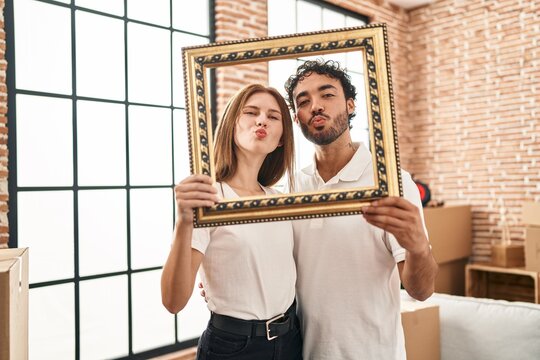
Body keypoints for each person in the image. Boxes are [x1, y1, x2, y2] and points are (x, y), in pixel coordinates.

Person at [284, 59, 438, 360]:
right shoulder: (291, 186)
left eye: (327, 95)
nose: (316, 106)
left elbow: (421, 291)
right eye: (304, 101)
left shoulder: (390, 181)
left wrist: (419, 246)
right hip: (300, 352)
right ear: (296, 117)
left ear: (351, 105)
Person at [161, 84, 302, 360]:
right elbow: (173, 302)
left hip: (291, 340)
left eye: (274, 117)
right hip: (234, 348)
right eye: (251, 112)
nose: (262, 120)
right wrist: (184, 224)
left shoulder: (281, 201)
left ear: (282, 138)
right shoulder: (209, 198)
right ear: (231, 124)